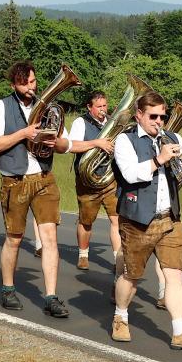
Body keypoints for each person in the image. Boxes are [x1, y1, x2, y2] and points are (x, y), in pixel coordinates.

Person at [110, 91, 182, 349]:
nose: (159, 121)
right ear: (139, 115)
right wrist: (159, 159)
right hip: (138, 219)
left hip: (170, 217)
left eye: (162, 116)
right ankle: (121, 316)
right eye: (153, 116)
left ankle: (180, 331)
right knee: (132, 276)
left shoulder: (174, 138)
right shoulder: (125, 140)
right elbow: (131, 175)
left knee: (174, 274)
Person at [0, 60, 74, 317]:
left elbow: (64, 141)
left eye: (33, 82)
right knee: (14, 239)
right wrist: (24, 133)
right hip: (15, 179)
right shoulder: (1, 107)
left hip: (45, 177)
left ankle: (51, 296)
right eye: (24, 84)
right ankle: (8, 289)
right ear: (13, 84)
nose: (30, 88)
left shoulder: (46, 106)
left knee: (50, 239)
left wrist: (53, 140)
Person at [68, 90, 120, 271]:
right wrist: (97, 143)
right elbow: (72, 146)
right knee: (86, 220)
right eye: (99, 107)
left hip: (110, 178)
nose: (103, 110)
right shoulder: (80, 122)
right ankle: (83, 255)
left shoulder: (113, 123)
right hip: (87, 180)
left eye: (105, 105)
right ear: (89, 107)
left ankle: (118, 260)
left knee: (117, 219)